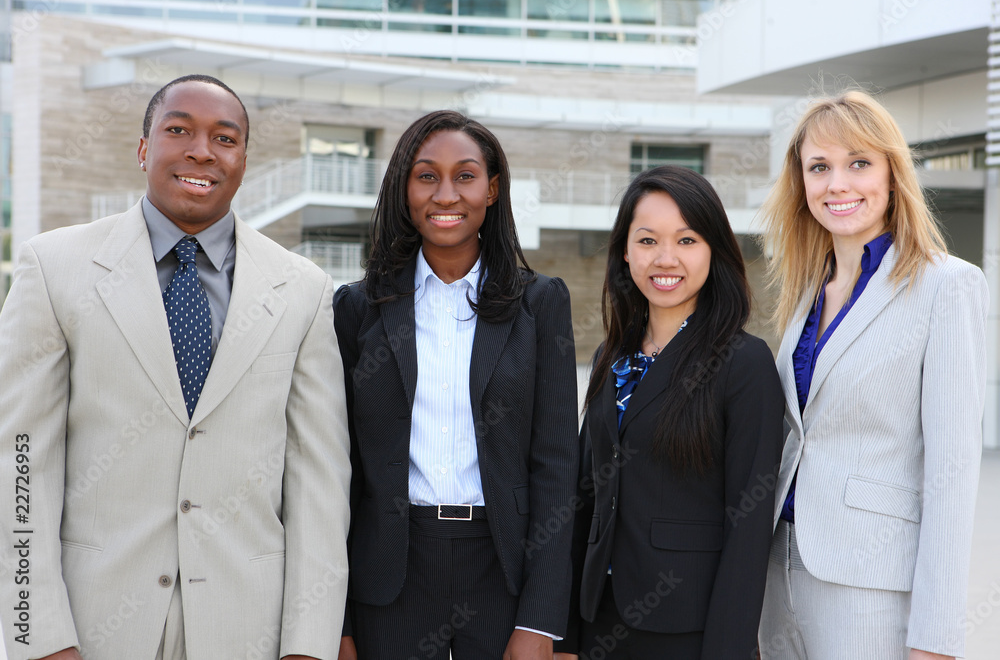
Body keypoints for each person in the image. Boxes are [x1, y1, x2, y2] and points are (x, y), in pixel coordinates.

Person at [0, 75, 351, 660]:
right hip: (92, 628)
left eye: (225, 138)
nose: (202, 151)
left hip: (248, 629)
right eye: (179, 130)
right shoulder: (54, 268)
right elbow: (17, 467)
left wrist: (307, 646)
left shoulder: (303, 290)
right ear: (144, 149)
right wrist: (38, 637)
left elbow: (318, 484)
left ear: (242, 160)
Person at [333, 110, 579, 660]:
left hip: (501, 570)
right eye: (427, 176)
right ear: (404, 190)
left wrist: (541, 620)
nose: (446, 194)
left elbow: (558, 468)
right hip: (389, 576)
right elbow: (337, 473)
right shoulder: (357, 308)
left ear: (491, 190)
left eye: (464, 176)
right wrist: (339, 622)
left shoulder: (541, 305)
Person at [757, 90, 987, 660]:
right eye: (820, 167)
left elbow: (952, 473)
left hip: (871, 584)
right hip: (779, 577)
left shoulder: (945, 286)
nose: (838, 184)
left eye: (859, 163)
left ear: (891, 173)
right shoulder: (808, 290)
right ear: (801, 182)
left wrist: (935, 638)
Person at [554, 165, 785, 660]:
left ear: (714, 251)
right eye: (647, 240)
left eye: (686, 240)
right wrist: (566, 633)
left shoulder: (744, 363)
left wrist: (729, 649)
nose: (665, 259)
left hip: (686, 626)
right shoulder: (610, 359)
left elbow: (748, 524)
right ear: (624, 252)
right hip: (600, 618)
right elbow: (584, 499)